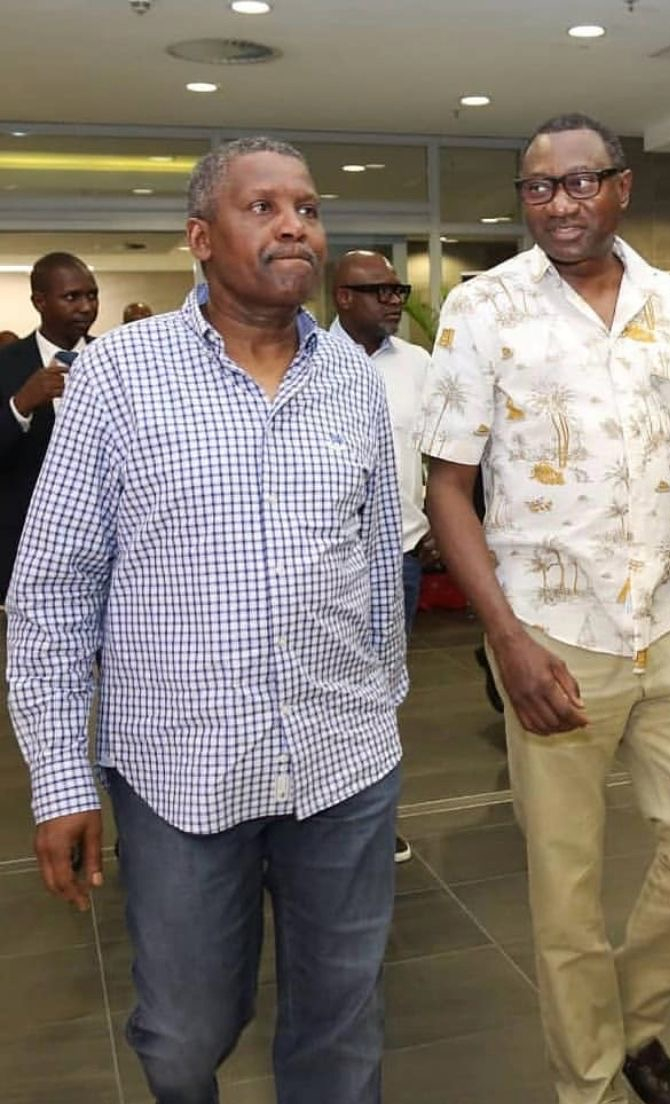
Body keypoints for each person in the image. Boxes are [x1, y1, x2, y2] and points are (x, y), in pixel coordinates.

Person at [6, 136, 406, 1104]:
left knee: (341, 1026)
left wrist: (382, 700)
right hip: (180, 774)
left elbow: (377, 559)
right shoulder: (118, 378)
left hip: (342, 763)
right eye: (262, 207)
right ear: (199, 237)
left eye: (307, 208)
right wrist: (60, 778)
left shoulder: (354, 380)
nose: (294, 226)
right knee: (185, 1035)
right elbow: (53, 591)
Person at [419, 112, 670, 1104]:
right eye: (538, 187)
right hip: (551, 632)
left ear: (621, 187)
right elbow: (448, 489)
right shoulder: (483, 308)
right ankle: (593, 1084)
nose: (558, 203)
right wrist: (507, 643)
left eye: (578, 182)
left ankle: (632, 1019)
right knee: (565, 893)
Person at [331, 247, 436, 864]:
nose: (395, 301)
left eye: (398, 291)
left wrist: (441, 520)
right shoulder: (310, 361)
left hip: (399, 557)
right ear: (343, 297)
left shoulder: (418, 365)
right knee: (331, 692)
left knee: (385, 694)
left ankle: (374, 820)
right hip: (330, 561)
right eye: (381, 291)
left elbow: (440, 452)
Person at [0, 252, 98, 601]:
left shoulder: (118, 360)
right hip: (23, 545)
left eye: (92, 295)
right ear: (39, 301)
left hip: (103, 541)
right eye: (72, 297)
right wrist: (20, 405)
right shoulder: (6, 365)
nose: (86, 307)